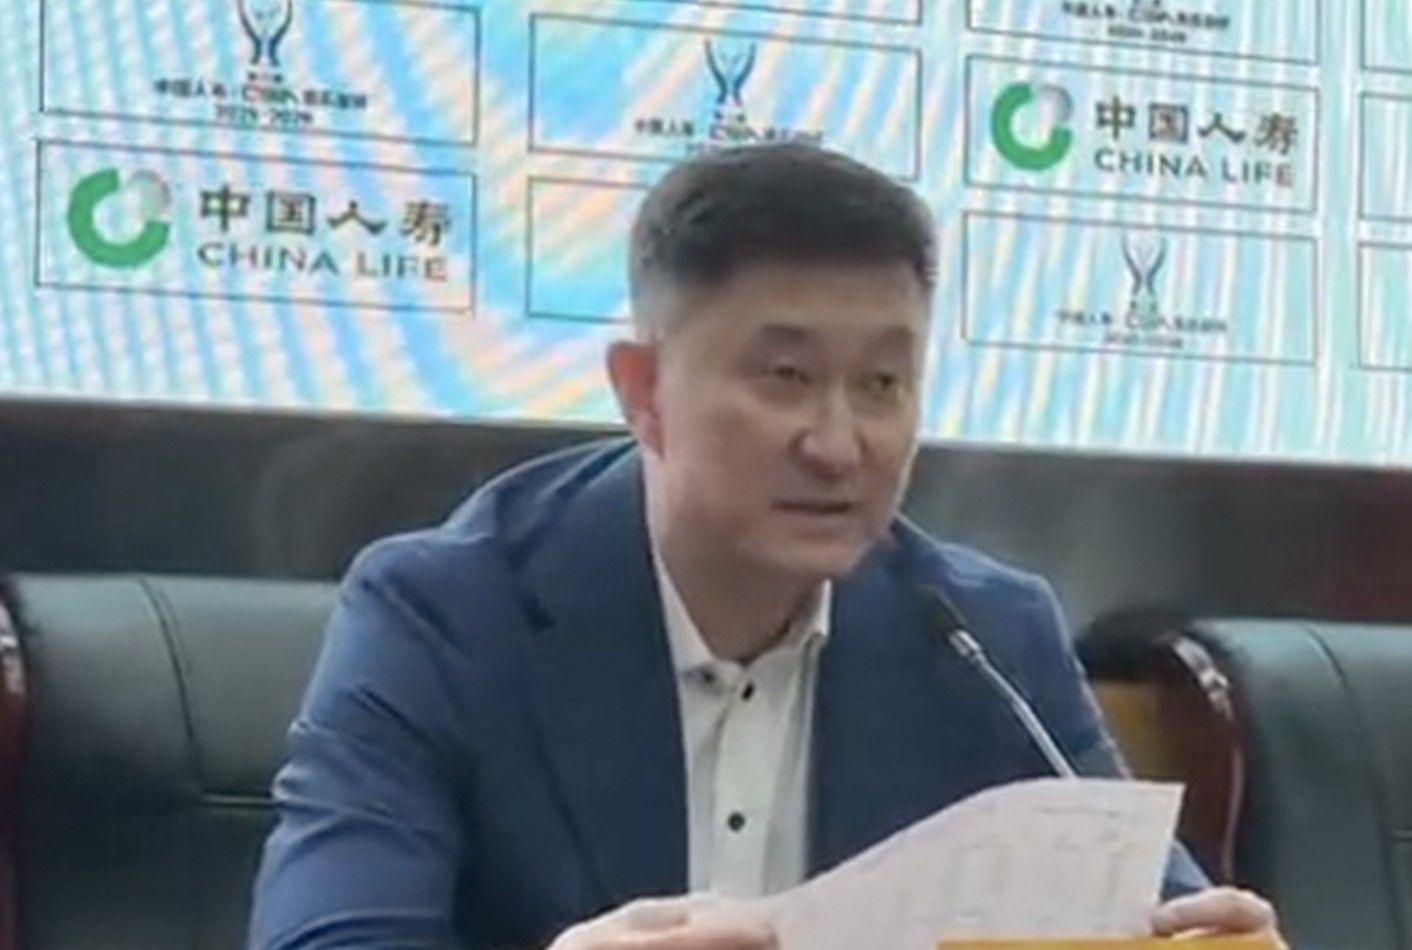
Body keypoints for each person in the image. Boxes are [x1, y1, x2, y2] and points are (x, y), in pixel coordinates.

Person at [248, 142, 1284, 950]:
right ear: (643, 390)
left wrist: (1213, 938)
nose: (838, 444)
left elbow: (1155, 914)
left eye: (882, 384)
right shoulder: (441, 614)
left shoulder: (984, 636)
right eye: (784, 377)